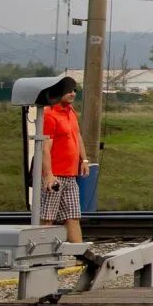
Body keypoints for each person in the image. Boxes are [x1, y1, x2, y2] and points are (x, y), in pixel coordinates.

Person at [35, 76, 91, 243]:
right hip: (55, 175)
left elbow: (77, 136)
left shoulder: (71, 112)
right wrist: (49, 174)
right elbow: (45, 147)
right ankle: (39, 254)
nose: (72, 93)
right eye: (68, 91)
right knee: (47, 218)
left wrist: (84, 160)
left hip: (70, 175)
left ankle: (79, 256)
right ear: (59, 92)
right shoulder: (49, 115)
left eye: (74, 90)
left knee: (73, 216)